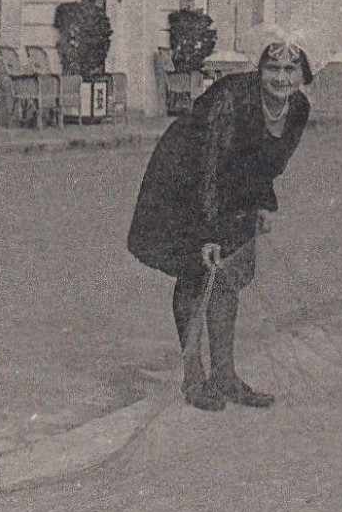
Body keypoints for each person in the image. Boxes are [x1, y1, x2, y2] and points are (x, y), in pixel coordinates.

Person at [127, 37, 312, 411]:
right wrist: (209, 233)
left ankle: (225, 376)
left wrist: (263, 202)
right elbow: (211, 160)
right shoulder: (233, 99)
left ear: (303, 74)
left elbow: (271, 161)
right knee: (197, 272)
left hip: (235, 182)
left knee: (231, 274)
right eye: (272, 68)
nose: (280, 78)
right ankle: (193, 378)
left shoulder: (298, 109)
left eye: (290, 69)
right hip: (187, 177)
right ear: (259, 71)